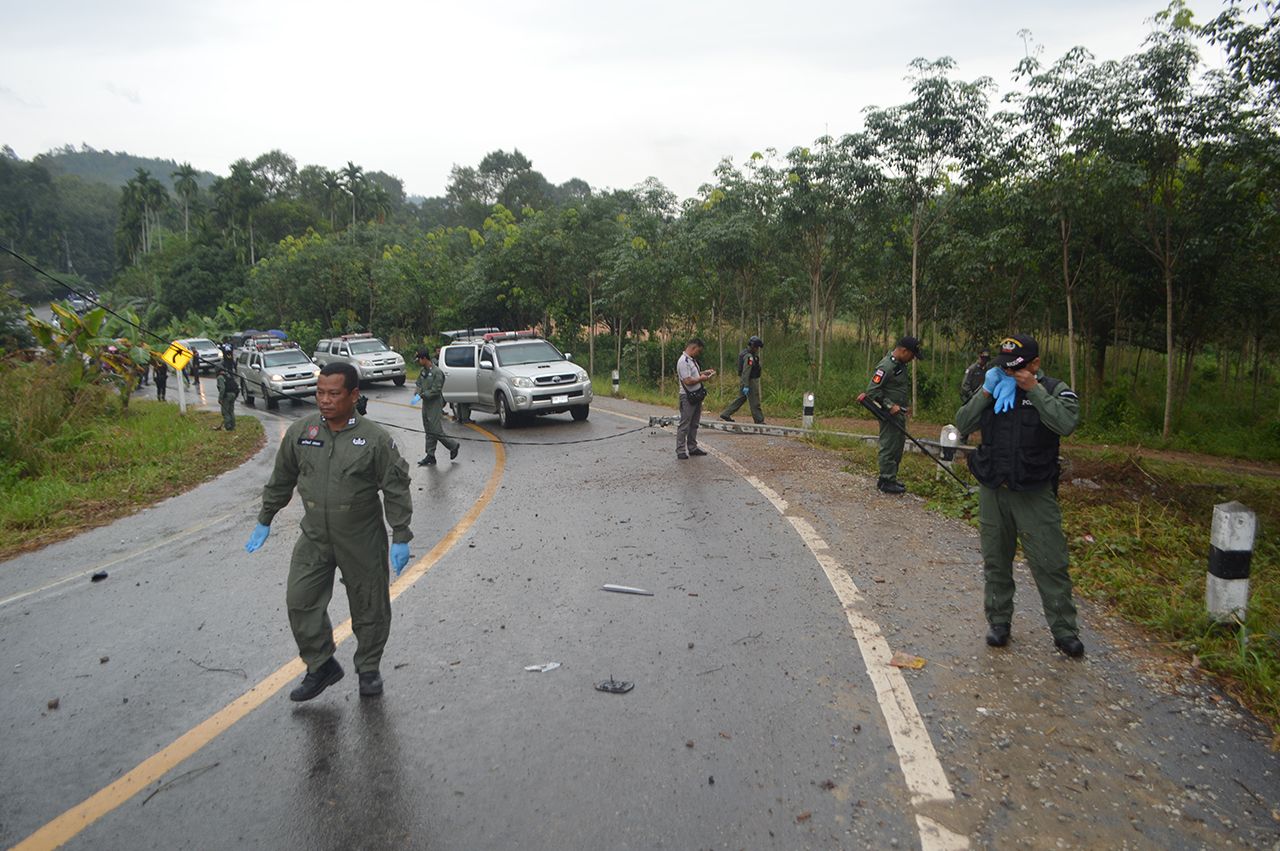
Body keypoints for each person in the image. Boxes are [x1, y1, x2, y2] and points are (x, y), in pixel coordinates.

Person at [245, 362, 414, 701]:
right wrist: (265, 518)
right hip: (315, 535)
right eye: (320, 392)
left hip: (360, 536)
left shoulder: (375, 440)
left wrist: (401, 535)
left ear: (354, 395)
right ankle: (320, 664)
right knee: (300, 600)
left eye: (334, 393)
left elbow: (395, 489)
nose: (325, 400)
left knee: (369, 604)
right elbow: (282, 479)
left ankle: (368, 669)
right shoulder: (301, 433)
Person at [954, 334, 1084, 658]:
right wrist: (986, 390)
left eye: (1018, 368)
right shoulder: (993, 386)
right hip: (993, 488)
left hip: (1034, 491)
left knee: (1050, 562)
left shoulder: (1054, 390)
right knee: (996, 560)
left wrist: (1034, 391)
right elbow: (962, 423)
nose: (1011, 373)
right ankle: (999, 623)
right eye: (1006, 367)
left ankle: (1064, 630)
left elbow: (1066, 422)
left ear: (1035, 365)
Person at [857, 336, 920, 494]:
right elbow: (872, 390)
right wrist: (889, 405)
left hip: (899, 413)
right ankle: (885, 480)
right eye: (912, 355)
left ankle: (891, 477)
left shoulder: (900, 365)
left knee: (897, 445)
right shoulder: (886, 365)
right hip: (889, 413)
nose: (912, 359)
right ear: (904, 351)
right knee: (889, 445)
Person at [411, 348, 459, 466]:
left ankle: (453, 445)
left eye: (419, 360)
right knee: (428, 429)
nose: (418, 362)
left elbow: (436, 390)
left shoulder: (437, 372)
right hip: (425, 404)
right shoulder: (423, 371)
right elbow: (418, 383)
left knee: (436, 430)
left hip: (434, 403)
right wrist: (417, 393)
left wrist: (423, 394)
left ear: (424, 358)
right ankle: (430, 455)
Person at [676, 337, 715, 460]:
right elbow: (687, 380)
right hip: (687, 397)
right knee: (685, 424)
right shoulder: (683, 361)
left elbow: (693, 375)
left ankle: (692, 447)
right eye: (698, 350)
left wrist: (704, 373)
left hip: (696, 396)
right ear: (693, 348)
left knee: (694, 423)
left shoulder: (691, 360)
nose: (698, 353)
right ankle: (681, 450)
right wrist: (701, 379)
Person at [719, 335, 765, 424]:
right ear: (753, 346)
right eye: (757, 347)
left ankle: (726, 413)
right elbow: (746, 372)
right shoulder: (749, 357)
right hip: (750, 381)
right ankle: (759, 420)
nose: (757, 349)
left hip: (745, 380)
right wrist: (746, 385)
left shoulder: (745, 353)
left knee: (741, 398)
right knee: (755, 401)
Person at [958, 348, 990, 442]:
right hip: (970, 397)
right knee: (968, 418)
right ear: (979, 357)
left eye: (986, 359)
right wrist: (971, 395)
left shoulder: (987, 370)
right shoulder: (972, 369)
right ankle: (962, 439)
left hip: (981, 398)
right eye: (983, 358)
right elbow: (965, 385)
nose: (984, 361)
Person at [215, 359, 239, 431]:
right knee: (231, 411)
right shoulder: (228, 375)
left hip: (227, 396)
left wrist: (220, 398)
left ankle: (228, 426)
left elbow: (222, 388)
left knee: (225, 412)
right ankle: (233, 426)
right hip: (233, 394)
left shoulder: (220, 377)